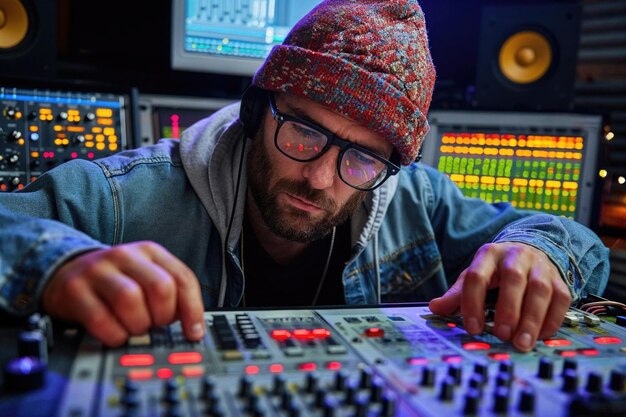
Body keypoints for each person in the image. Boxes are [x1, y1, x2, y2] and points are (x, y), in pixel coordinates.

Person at [0, 0, 609, 353]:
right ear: (257, 110)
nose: (321, 178)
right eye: (305, 133)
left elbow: (568, 238)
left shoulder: (417, 200)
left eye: (363, 158)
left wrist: (538, 253)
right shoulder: (125, 197)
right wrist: (52, 262)